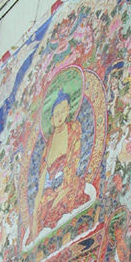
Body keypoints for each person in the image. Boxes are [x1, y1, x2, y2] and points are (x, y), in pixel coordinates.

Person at [32, 90, 89, 236]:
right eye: (56, 113)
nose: (60, 116)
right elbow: (41, 184)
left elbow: (73, 162)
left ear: (69, 110)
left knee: (62, 204)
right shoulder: (48, 146)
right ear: (51, 119)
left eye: (63, 111)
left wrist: (60, 194)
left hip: (69, 185)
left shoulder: (74, 128)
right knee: (43, 212)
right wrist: (34, 220)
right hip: (52, 191)